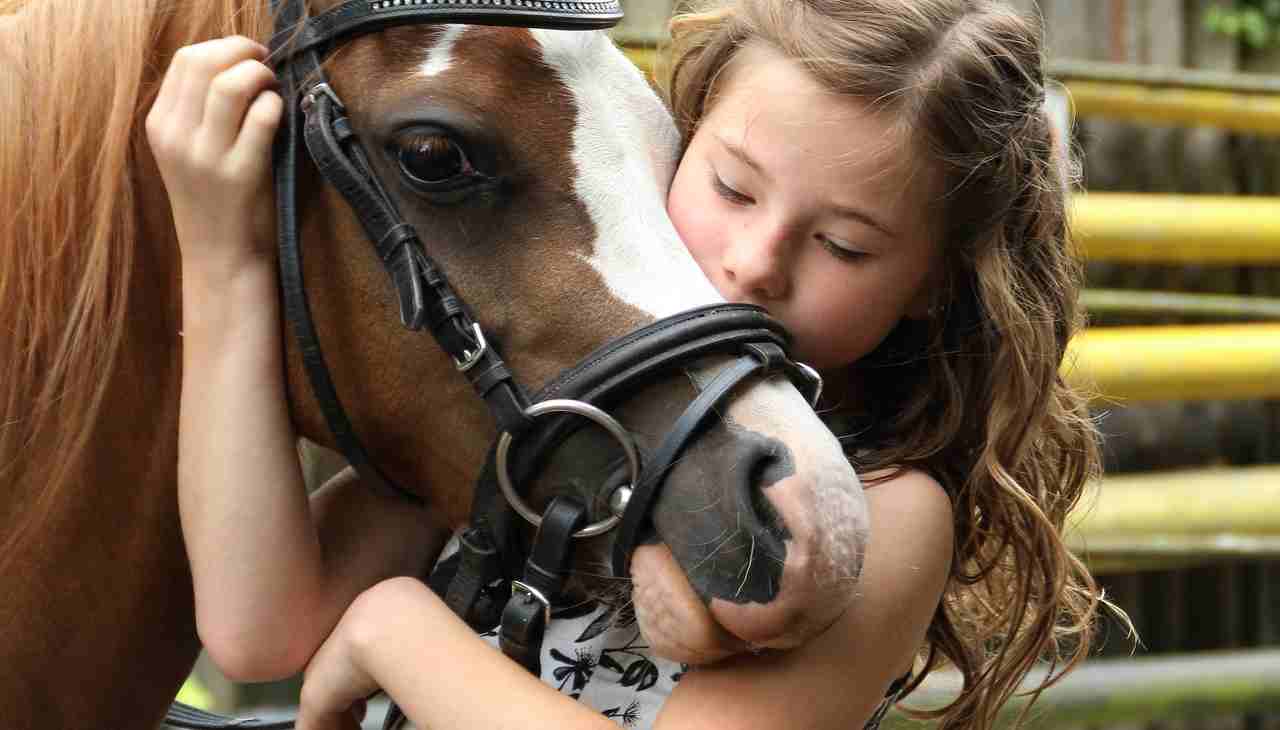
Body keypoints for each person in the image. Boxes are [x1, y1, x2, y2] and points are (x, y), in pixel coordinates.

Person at [147, 1, 1115, 729]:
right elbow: (256, 625)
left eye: (846, 246)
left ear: (931, 283)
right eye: (731, 186)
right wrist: (222, 259)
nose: (753, 261)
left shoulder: (890, 505)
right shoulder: (546, 417)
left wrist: (391, 629)